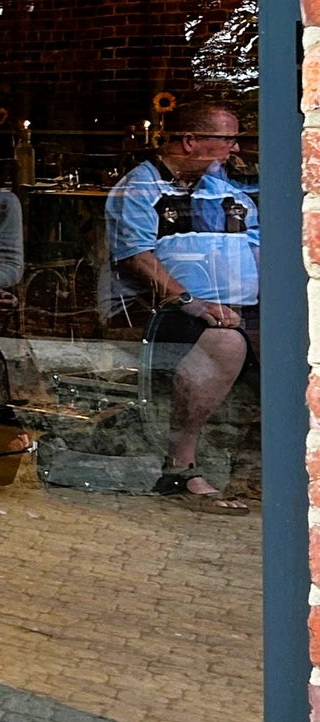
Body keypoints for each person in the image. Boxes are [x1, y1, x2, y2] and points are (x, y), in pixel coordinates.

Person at [105, 100, 258, 515]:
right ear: (190, 142)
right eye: (226, 139)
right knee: (225, 345)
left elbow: (257, 243)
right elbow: (137, 257)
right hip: (160, 310)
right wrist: (192, 302)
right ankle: (181, 464)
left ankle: (261, 466)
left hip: (235, 306)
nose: (236, 148)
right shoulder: (140, 188)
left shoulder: (222, 188)